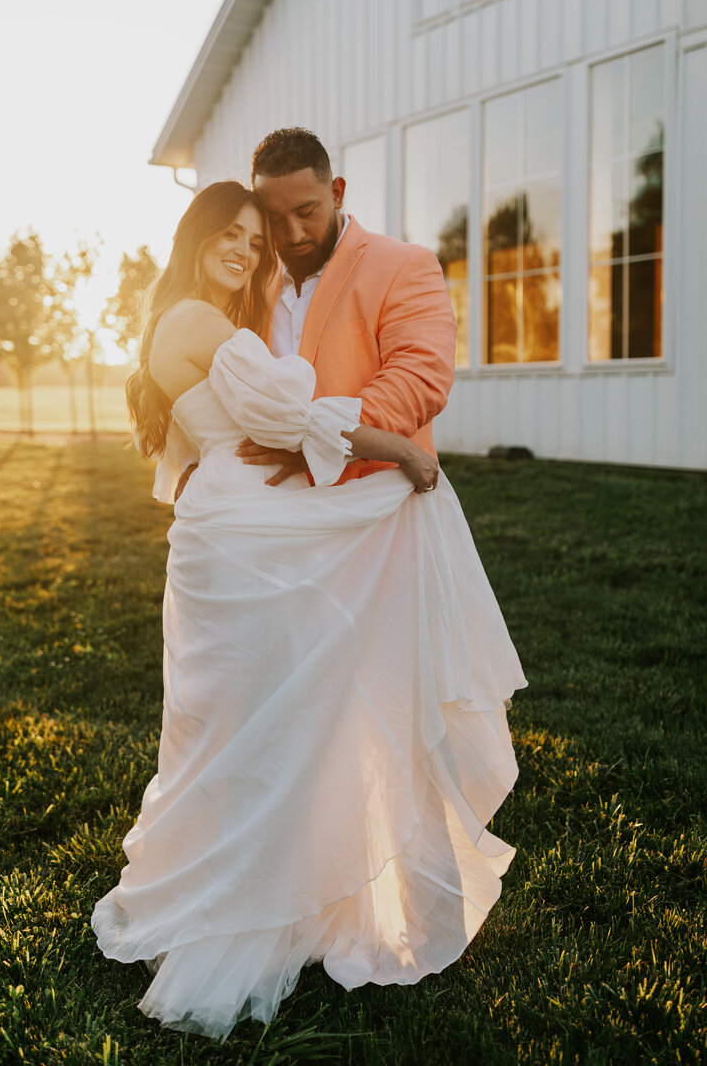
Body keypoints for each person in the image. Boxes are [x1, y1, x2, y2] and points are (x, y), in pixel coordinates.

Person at [91, 172, 527, 1042]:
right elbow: (285, 417)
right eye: (233, 234)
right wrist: (396, 448)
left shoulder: (185, 325)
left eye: (257, 244)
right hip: (246, 535)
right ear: (196, 234)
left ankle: (279, 885)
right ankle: (260, 898)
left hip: (229, 527)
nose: (246, 250)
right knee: (273, 722)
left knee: (249, 724)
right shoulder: (198, 322)